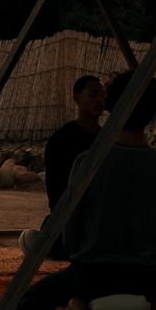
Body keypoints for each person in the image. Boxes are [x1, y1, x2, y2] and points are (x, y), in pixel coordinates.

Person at [22, 73, 156, 310]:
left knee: (29, 300)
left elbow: (71, 234)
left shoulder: (87, 163)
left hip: (92, 276)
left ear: (111, 108)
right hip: (147, 278)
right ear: (153, 113)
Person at [43, 73, 106, 216]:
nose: (100, 100)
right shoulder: (61, 140)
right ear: (77, 98)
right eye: (93, 95)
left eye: (102, 95)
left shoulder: (105, 137)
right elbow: (55, 191)